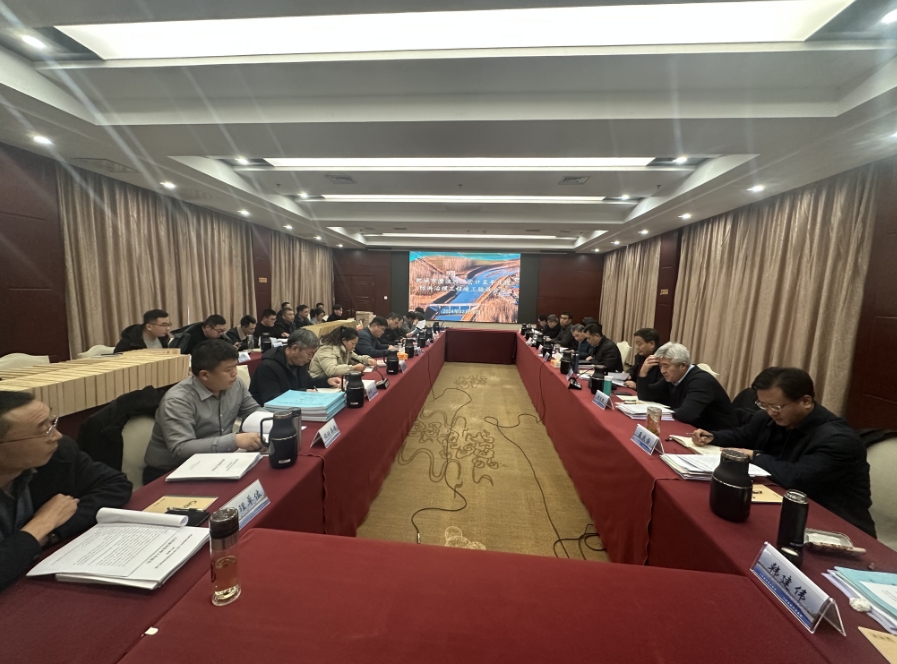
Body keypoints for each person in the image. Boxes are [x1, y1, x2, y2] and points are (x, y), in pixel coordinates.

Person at [692, 367, 875, 536]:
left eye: (776, 407)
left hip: (837, 527)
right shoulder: (769, 418)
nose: (770, 412)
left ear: (806, 401)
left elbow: (795, 477)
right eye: (763, 405)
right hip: (784, 505)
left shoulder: (838, 440)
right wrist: (714, 436)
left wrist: (755, 456)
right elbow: (743, 435)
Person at [0, 392, 132, 591]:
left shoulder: (58, 453)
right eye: (43, 430)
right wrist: (41, 524)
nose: (57, 435)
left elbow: (115, 485)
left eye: (51, 423)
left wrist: (50, 533)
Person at [143, 340, 264, 484]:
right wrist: (235, 441)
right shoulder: (177, 400)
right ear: (205, 375)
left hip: (218, 461)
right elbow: (181, 448)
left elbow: (253, 411)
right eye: (228, 370)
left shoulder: (235, 385)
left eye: (235, 366)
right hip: (170, 470)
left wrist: (271, 424)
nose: (235, 373)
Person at [637, 342, 737, 431]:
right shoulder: (673, 377)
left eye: (666, 366)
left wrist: (657, 413)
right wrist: (643, 372)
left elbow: (686, 414)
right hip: (693, 430)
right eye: (660, 366)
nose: (662, 371)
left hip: (717, 436)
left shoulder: (700, 381)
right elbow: (645, 395)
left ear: (683, 365)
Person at [249, 329, 341, 404]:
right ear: (294, 348)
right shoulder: (268, 366)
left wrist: (327, 381)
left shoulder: (298, 361)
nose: (311, 358)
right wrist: (303, 393)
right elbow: (271, 399)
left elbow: (308, 382)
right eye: (309, 354)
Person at [309, 326, 378, 379]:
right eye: (352, 343)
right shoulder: (326, 349)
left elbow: (356, 358)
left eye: (355, 344)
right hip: (318, 382)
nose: (354, 346)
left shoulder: (346, 349)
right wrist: (353, 368)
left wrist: (367, 359)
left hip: (333, 380)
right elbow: (331, 370)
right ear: (344, 340)